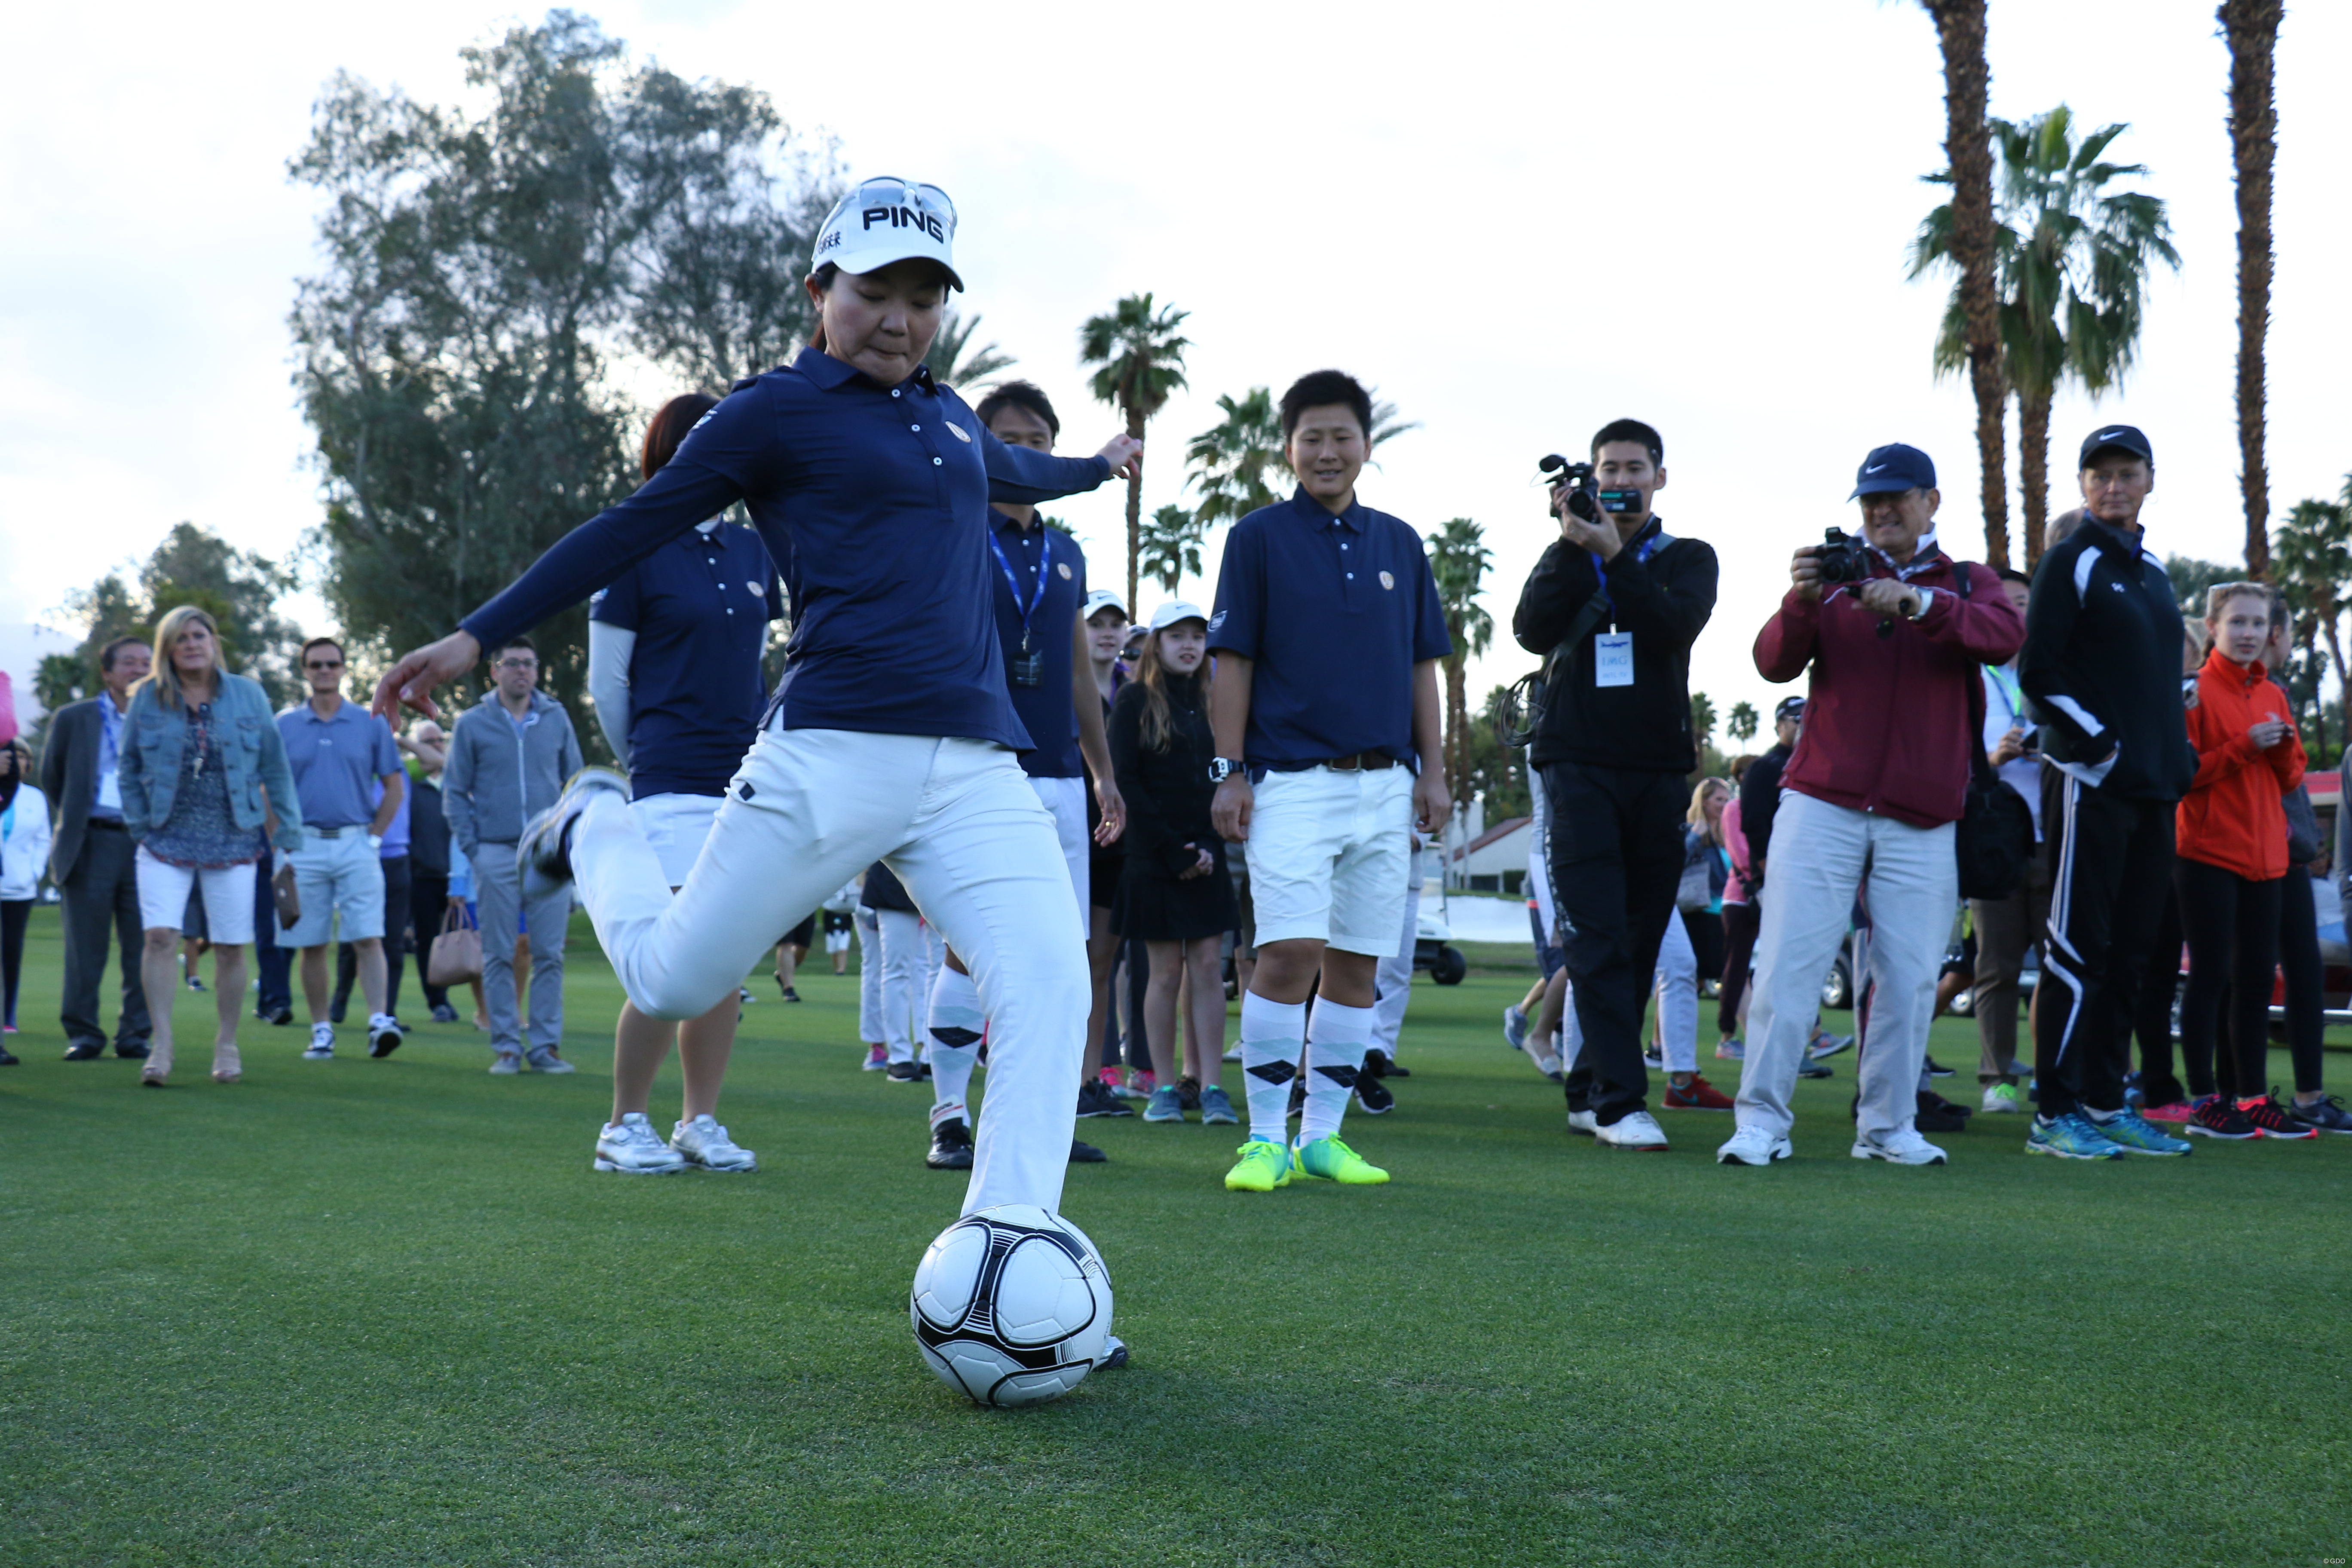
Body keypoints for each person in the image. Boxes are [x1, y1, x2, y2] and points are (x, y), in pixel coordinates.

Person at [374, 175, 1140, 1229]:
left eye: (924, 298)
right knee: (678, 980)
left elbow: (1012, 467)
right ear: (820, 288)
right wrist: (475, 630)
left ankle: (1008, 1255)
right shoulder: (771, 411)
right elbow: (630, 525)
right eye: (875, 291)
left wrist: (1095, 470)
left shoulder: (951, 417)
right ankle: (592, 822)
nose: (900, 319)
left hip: (973, 764)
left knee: (1051, 985)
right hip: (828, 755)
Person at [1717, 443, 2027, 1168]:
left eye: (1897, 498)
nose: (1882, 512)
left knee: (1912, 975)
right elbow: (1771, 662)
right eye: (1870, 501)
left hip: (1923, 811)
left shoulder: (1967, 580)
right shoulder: (1832, 577)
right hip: (1821, 799)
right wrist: (1798, 598)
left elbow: (2002, 634)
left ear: (1931, 501)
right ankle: (1760, 1120)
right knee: (1790, 966)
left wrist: (1917, 603)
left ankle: (1887, 1124)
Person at [1207, 368, 1450, 1191]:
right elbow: (1230, 662)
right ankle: (1264, 1140)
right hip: (1290, 781)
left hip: (1386, 783)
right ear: (1287, 447)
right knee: (1287, 953)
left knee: (1356, 966)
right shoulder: (1257, 538)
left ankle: (1322, 1138)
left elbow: (1425, 668)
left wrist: (1436, 772)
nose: (1326, 451)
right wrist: (1229, 772)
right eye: (1310, 436)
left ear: (1365, 446)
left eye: (1341, 435)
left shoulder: (1400, 543)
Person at [918, 378, 1128, 1170]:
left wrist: (1101, 772)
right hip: (975, 762)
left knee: (1056, 951)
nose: (1024, 455)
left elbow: (1080, 673)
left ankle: (1039, 1118)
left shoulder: (1067, 551)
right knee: (966, 950)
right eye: (1007, 441)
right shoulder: (954, 530)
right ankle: (947, 1113)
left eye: (1038, 442)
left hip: (1056, 774)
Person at [582, 391, 785, 1173]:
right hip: (667, 776)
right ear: (673, 450)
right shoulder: (636, 543)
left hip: (744, 776)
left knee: (726, 963)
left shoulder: (751, 549)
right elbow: (609, 684)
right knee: (672, 963)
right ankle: (623, 1124)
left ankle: (698, 1120)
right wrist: (644, 757)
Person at [1511, 416, 1715, 1152]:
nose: (1621, 481)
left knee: (1636, 934)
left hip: (1658, 769)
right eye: (1609, 469)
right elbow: (1531, 630)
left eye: (1635, 468)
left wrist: (1615, 555)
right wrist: (1575, 543)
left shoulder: (1688, 557)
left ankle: (1590, 1086)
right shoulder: (1570, 549)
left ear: (1659, 477)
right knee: (1595, 932)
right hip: (1573, 764)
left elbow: (1670, 629)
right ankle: (1619, 1101)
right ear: (1591, 478)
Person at [2018, 425, 2205, 1160]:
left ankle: (2102, 1099)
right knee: (2075, 948)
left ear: (2148, 479)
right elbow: (2038, 672)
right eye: (2098, 475)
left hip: (2155, 793)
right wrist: (2100, 745)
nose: (2113, 486)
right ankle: (2053, 1110)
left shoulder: (2154, 571)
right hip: (2093, 786)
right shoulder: (2070, 560)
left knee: (2131, 953)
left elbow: (2160, 684)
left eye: (2126, 473)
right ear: (2083, 485)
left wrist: (2176, 757)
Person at [118, 606, 304, 1086]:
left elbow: (276, 767)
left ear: (213, 642)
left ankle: (227, 1041)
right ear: (168, 650)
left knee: (229, 946)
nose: (192, 645)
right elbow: (128, 767)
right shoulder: (147, 699)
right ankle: (161, 1043)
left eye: (199, 636)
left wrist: (287, 832)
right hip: (164, 838)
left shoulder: (249, 695)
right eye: (180, 639)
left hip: (235, 836)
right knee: (159, 937)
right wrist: (141, 826)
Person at [2172, 582, 2309, 1140]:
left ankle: (2252, 1098)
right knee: (2209, 976)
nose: (2250, 634)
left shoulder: (2273, 693)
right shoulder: (2194, 692)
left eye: (2258, 624)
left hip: (2266, 855)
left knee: (2255, 979)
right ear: (2212, 628)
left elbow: (2293, 775)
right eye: (2238, 623)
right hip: (2206, 851)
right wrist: (2246, 747)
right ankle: (2205, 1101)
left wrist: (2277, 749)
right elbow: (2182, 774)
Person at [1110, 600, 1240, 1127]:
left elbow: (1226, 778)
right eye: (1176, 636)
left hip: (1207, 857)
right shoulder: (1134, 699)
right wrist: (1174, 851)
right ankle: (1163, 1086)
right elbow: (1128, 783)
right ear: (1157, 644)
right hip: (1154, 859)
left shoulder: (1218, 701)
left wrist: (1206, 847)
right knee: (1164, 974)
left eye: (1197, 636)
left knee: (1209, 969)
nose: (1188, 645)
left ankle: (1211, 1087)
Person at [443, 634, 584, 1074]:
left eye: (529, 663)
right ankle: (506, 1047)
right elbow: (453, 792)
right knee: (499, 954)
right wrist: (474, 849)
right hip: (495, 853)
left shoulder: (557, 718)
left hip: (547, 856)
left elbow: (576, 787)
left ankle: (544, 1048)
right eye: (512, 663)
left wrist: (570, 846)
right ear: (495, 671)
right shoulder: (472, 723)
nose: (522, 670)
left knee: (549, 955)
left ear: (537, 670)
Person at [275, 637, 406, 1061]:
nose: (325, 670)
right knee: (311, 943)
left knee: (368, 937)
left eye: (332, 663)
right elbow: (268, 790)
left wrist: (373, 839)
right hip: (303, 847)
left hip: (356, 843)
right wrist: (282, 844)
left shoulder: (370, 722)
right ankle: (321, 1030)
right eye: (316, 664)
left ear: (344, 669)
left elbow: (394, 787)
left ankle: (378, 1022)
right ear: (305, 670)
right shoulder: (285, 726)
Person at [41, 634, 155, 1061]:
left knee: (145, 945)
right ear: (107, 672)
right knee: (85, 948)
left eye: (147, 662)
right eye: (129, 663)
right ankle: (84, 1033)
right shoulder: (74, 718)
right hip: (90, 841)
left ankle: (135, 1034)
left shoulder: (164, 717)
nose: (139, 670)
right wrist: (80, 818)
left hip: (147, 846)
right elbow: (54, 778)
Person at [1971, 567, 2047, 1112]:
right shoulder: (1971, 680)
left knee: (2060, 963)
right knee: (1997, 966)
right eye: (2007, 604)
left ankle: (2054, 1074)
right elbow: (1952, 761)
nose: (2018, 614)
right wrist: (1993, 759)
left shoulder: (2053, 676)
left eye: (2026, 603)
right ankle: (1997, 1079)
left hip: (2055, 838)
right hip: (1995, 841)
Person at [1080, 588, 1135, 1099]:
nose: (1107, 632)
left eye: (1116, 624)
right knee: (1065, 966)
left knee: (1100, 965)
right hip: (1068, 841)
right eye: (1097, 622)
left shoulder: (1134, 692)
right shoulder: (1063, 689)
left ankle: (1090, 1079)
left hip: (1117, 851)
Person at [1657, 778, 1734, 1111]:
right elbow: (1676, 862)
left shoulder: (1725, 834)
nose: (1725, 804)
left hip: (1723, 913)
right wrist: (1696, 834)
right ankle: (1730, 1042)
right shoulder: (1695, 831)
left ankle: (1680, 1077)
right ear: (1703, 801)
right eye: (1719, 798)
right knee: (1729, 977)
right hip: (1699, 913)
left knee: (1685, 975)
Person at [330, 772, 411, 1026]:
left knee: (393, 941)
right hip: (359, 856)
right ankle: (340, 999)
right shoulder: (359, 764)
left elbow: (435, 761)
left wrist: (404, 740)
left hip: (397, 859)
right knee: (354, 936)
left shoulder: (404, 767)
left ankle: (387, 1013)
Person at [400, 720, 462, 1023]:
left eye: (439, 739)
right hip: (423, 876)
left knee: (465, 939)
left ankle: (486, 1009)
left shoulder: (458, 778)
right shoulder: (411, 782)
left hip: (458, 877)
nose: (435, 744)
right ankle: (438, 1001)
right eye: (428, 740)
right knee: (428, 942)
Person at [1, 739, 51, 1051]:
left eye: (23, 757)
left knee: (11, 952)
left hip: (19, 889)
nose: (17, 761)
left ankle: (8, 1015)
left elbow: (44, 839)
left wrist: (33, 873)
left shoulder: (35, 797)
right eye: (12, 756)